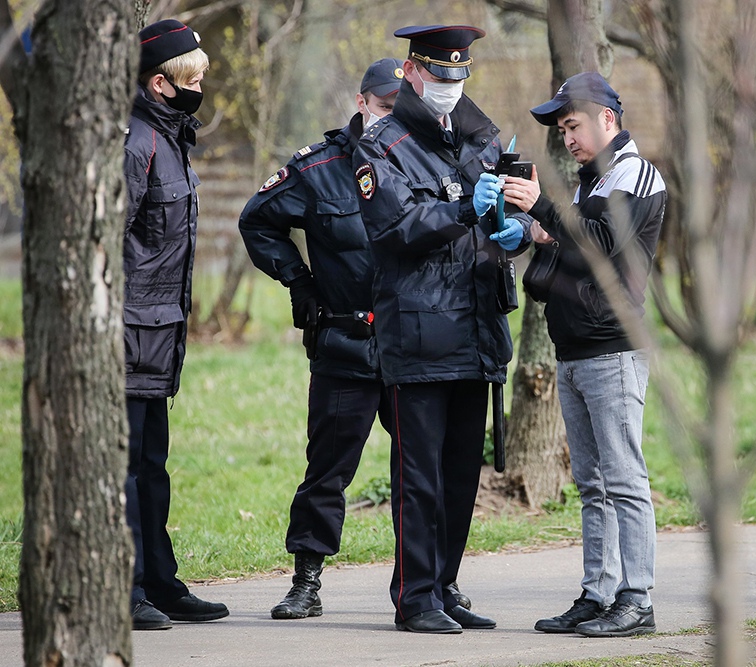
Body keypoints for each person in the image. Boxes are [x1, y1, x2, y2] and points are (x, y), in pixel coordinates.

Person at [239, 58, 474, 620]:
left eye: (404, 107)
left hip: (416, 342)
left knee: (426, 470)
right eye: (388, 107)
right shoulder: (319, 168)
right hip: (349, 339)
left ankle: (432, 584)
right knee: (328, 466)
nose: (396, 117)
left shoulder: (428, 158)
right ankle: (307, 578)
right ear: (363, 103)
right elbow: (258, 219)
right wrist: (299, 281)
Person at [353, 24, 531, 634]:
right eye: (439, 75)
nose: (450, 87)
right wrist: (464, 210)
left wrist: (515, 234)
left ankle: (446, 584)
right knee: (418, 478)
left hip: (476, 330)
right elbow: (394, 226)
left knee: (460, 476)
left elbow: (495, 218)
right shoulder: (382, 144)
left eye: (460, 76)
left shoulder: (482, 138)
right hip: (418, 332)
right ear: (412, 72)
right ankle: (416, 596)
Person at [502, 71, 666, 637]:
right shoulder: (587, 184)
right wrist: (531, 234)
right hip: (574, 350)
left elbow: (599, 240)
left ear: (607, 119)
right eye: (562, 129)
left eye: (573, 125)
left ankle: (636, 599)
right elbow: (569, 246)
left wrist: (543, 212)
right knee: (593, 485)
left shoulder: (635, 175)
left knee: (624, 480)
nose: (567, 138)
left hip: (613, 351)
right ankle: (598, 594)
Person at [124, 19, 228, 631]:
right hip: (128, 336)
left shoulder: (172, 138)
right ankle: (127, 586)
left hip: (158, 337)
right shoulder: (137, 143)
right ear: (162, 84)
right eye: (195, 80)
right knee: (127, 467)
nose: (202, 88)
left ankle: (160, 582)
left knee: (152, 466)